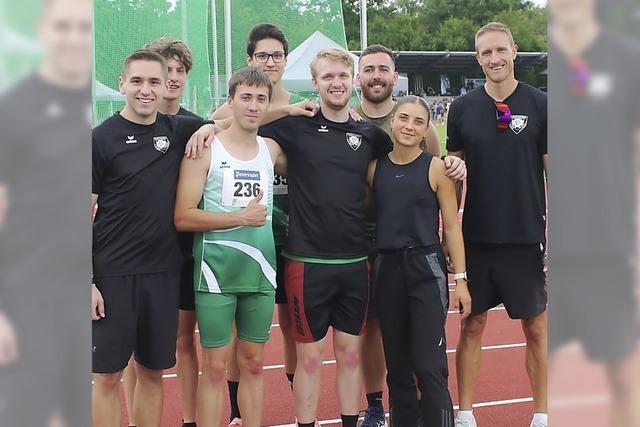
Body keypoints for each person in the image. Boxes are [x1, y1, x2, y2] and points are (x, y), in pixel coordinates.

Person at [258, 48, 393, 427]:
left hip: (355, 263)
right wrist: (285, 109)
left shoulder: (370, 135)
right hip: (307, 264)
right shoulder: (294, 126)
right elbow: (241, 120)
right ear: (315, 83)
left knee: (350, 355)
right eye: (327, 77)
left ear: (353, 81)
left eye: (342, 76)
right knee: (310, 358)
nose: (336, 83)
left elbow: (405, 164)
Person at [91, 49, 213, 427]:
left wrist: (209, 126)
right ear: (122, 84)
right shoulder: (100, 139)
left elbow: (233, 118)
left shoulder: (177, 129)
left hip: (162, 274)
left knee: (152, 372)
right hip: (111, 275)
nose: (146, 90)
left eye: (154, 82)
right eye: (138, 81)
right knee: (106, 377)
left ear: (166, 87)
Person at [353, 44, 466, 427]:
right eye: (403, 118)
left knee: (429, 365)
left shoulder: (436, 169)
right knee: (398, 366)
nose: (409, 126)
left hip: (425, 267)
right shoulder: (374, 170)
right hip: (387, 268)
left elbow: (452, 226)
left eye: (418, 121)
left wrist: (461, 279)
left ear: (426, 129)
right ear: (394, 122)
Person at [447, 22, 548, 427]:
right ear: (477, 58)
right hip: (478, 238)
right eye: (486, 52)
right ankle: (466, 414)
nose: (494, 58)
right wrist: (448, 236)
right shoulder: (462, 108)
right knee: (472, 325)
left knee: (536, 329)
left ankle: (541, 414)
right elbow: (452, 178)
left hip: (526, 237)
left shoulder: (541, 104)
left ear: (514, 50)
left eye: (500, 50)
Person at [174, 67, 286, 427]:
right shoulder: (205, 149)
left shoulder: (271, 150)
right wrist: (239, 218)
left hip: (260, 274)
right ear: (231, 101)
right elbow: (183, 217)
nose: (253, 106)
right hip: (215, 275)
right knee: (215, 368)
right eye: (246, 97)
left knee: (254, 364)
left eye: (261, 99)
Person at [548, 0, 640, 425]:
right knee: (550, 370)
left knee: (623, 371)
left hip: (608, 246)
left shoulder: (624, 57)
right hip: (551, 249)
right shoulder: (546, 69)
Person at [211, 23, 306, 426]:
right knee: (239, 331)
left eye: (276, 55)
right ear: (250, 59)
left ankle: (300, 407)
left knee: (293, 324)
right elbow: (215, 120)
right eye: (262, 55)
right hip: (243, 235)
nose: (270, 62)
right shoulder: (242, 104)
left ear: (286, 60)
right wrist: (282, 110)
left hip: (293, 232)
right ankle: (236, 412)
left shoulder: (305, 106)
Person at [120, 36, 202, 427]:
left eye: (179, 70)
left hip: (182, 248)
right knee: (133, 350)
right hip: (136, 253)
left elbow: (235, 119)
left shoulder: (196, 126)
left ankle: (189, 419)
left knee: (184, 340)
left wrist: (290, 108)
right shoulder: (122, 128)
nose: (172, 77)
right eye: (164, 70)